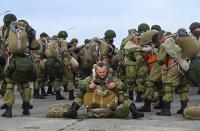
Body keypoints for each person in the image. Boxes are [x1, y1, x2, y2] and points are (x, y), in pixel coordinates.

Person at [63, 62, 144, 119]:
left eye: (104, 72)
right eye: (100, 72)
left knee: (122, 93)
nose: (102, 74)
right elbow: (81, 86)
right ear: (96, 72)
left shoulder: (112, 77)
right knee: (81, 93)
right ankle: (73, 111)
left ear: (107, 71)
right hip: (94, 101)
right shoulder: (91, 78)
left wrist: (115, 85)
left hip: (108, 100)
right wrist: (89, 86)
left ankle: (134, 111)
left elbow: (123, 86)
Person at [2, 14, 40, 118]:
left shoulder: (7, 30)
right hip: (25, 59)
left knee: (10, 85)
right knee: (25, 85)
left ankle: (9, 111)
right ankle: (26, 109)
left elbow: (4, 45)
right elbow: (36, 46)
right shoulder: (25, 29)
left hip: (12, 59)